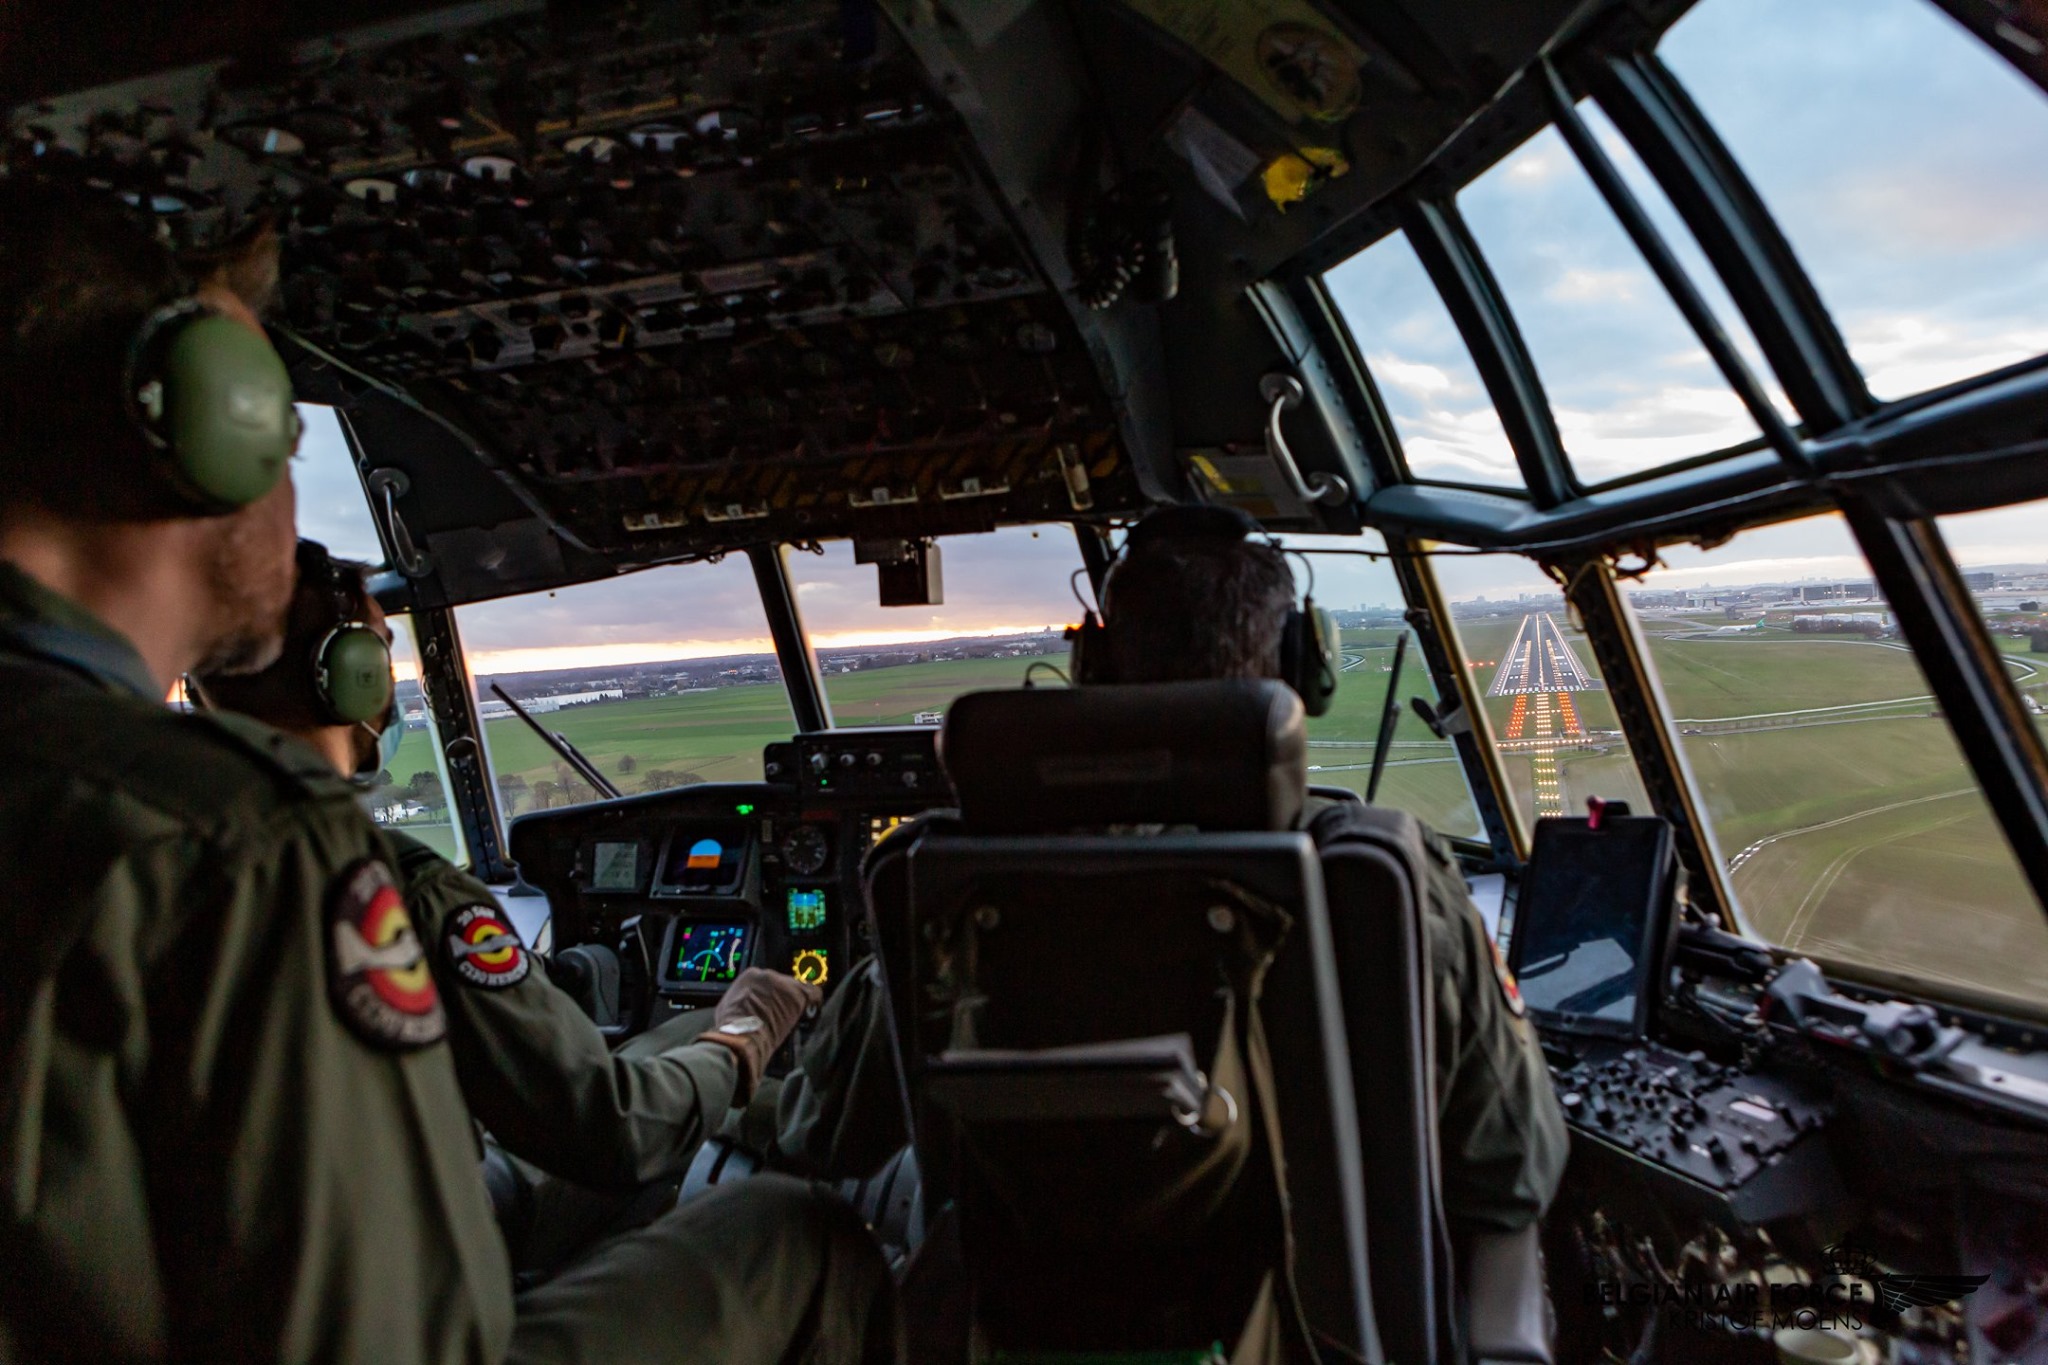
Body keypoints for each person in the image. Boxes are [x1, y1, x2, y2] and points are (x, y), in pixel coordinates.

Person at [0, 180, 890, 1364]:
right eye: (280, 431)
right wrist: (742, 1040)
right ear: (209, 419)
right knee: (793, 1226)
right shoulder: (236, 843)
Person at [773, 505, 1568, 1240]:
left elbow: (817, 1130)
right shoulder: (1382, 876)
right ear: (1301, 665)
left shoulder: (954, 880)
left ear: (1090, 664)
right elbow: (1515, 1170)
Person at [198, 540, 829, 1275]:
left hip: (306, 1249)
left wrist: (708, 1035)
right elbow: (615, 1128)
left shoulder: (175, 861)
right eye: (381, 657)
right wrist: (748, 1036)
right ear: (349, 680)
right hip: (435, 1266)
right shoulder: (398, 888)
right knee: (806, 1237)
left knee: (680, 1031)